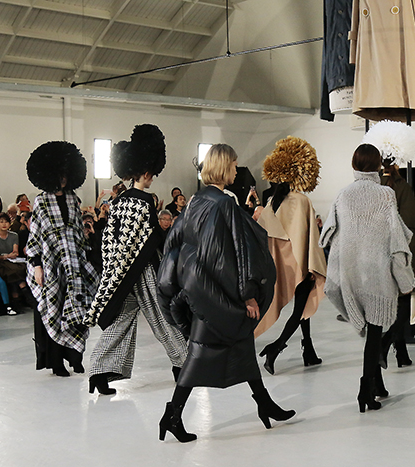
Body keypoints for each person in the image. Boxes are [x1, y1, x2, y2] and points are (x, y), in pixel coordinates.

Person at [157, 143, 294, 443]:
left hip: (199, 288)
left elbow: (177, 242)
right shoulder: (224, 204)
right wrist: (247, 294)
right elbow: (234, 253)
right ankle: (172, 416)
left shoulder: (196, 200)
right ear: (223, 167)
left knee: (241, 347)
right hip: (216, 293)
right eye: (233, 164)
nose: (236, 169)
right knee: (198, 356)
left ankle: (264, 404)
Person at [84, 124, 188, 395]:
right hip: (144, 270)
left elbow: (113, 240)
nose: (152, 178)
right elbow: (148, 238)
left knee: (121, 319)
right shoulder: (143, 201)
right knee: (163, 316)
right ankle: (183, 364)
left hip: (122, 272)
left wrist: (114, 271)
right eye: (151, 174)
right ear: (145, 172)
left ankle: (98, 371)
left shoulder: (120, 201)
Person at [319, 143, 415, 412]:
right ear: (377, 165)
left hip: (351, 272)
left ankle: (378, 385)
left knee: (373, 333)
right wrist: (404, 277)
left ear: (354, 164)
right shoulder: (385, 195)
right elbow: (396, 238)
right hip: (377, 272)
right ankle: (364, 390)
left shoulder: (343, 195)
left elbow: (329, 235)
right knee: (375, 332)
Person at [363, 120, 415, 369]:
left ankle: (401, 354)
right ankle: (386, 345)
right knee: (403, 304)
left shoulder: (374, 187)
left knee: (395, 303)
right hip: (401, 252)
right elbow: (412, 222)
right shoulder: (400, 187)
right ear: (397, 160)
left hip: (377, 253)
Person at [25, 141, 99, 376]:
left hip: (75, 263)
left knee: (78, 308)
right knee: (54, 309)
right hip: (51, 264)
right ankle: (56, 362)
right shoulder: (41, 201)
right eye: (60, 175)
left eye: (66, 174)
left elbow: (78, 231)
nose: (64, 179)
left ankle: (75, 357)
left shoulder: (72, 199)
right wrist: (36, 265)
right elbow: (35, 236)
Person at [255, 136, 327, 374]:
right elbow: (307, 237)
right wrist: (310, 266)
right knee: (299, 310)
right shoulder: (302, 201)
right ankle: (275, 348)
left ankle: (309, 350)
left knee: (303, 307)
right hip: (299, 263)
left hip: (280, 266)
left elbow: (266, 234)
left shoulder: (273, 202)